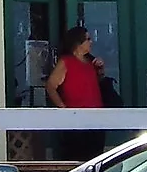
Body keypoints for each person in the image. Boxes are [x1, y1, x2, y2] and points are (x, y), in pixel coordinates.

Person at [45, 26, 106, 163]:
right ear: (78, 43)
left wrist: (100, 70)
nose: (91, 42)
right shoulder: (66, 62)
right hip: (76, 120)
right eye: (88, 39)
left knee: (95, 158)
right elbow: (51, 86)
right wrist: (62, 106)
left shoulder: (90, 62)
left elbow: (94, 85)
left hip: (96, 118)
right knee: (77, 157)